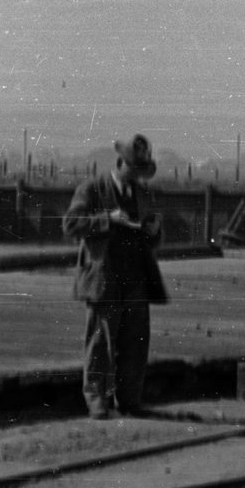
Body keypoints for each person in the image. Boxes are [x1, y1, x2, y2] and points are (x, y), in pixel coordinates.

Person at [63, 134, 167, 418]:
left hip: (136, 279)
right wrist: (107, 219)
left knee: (136, 343)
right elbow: (71, 224)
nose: (136, 177)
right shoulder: (92, 189)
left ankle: (130, 400)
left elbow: (154, 240)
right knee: (99, 342)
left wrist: (154, 231)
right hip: (104, 278)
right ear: (120, 162)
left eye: (140, 172)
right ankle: (96, 399)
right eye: (133, 170)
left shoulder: (143, 194)